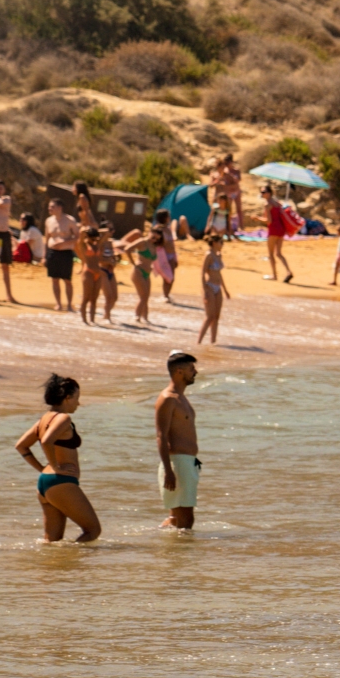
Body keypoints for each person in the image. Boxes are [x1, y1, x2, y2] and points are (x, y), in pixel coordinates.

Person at [16, 373, 101, 543]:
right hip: (61, 482)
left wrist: (43, 469)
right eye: (77, 398)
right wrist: (56, 467)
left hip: (45, 483)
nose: (79, 403)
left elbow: (21, 445)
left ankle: (54, 568)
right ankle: (77, 568)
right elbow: (47, 441)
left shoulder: (44, 419)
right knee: (93, 531)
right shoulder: (63, 418)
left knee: (52, 541)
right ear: (67, 397)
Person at [155, 351, 202, 529]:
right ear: (179, 372)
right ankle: (183, 555)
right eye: (191, 368)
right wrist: (168, 470)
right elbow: (161, 435)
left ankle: (172, 552)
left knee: (177, 518)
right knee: (186, 520)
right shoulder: (168, 399)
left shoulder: (181, 398)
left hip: (187, 462)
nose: (195, 372)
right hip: (178, 462)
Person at [119, 223, 159, 326]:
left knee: (146, 297)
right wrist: (133, 263)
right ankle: (136, 317)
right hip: (138, 272)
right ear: (149, 233)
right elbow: (127, 249)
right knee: (143, 296)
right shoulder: (142, 242)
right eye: (153, 236)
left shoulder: (154, 245)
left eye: (157, 238)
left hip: (147, 273)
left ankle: (145, 318)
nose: (154, 239)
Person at [43, 198, 79, 313]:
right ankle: (58, 303)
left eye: (52, 207)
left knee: (67, 280)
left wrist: (64, 243)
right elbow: (47, 238)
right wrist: (45, 255)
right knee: (54, 279)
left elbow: (77, 237)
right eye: (49, 207)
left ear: (60, 208)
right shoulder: (49, 221)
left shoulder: (69, 220)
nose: (49, 209)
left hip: (66, 253)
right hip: (53, 252)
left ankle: (69, 304)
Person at [196, 230, 230, 344]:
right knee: (209, 316)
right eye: (221, 242)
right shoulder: (208, 255)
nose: (222, 244)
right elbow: (202, 272)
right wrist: (205, 289)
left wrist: (225, 290)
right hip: (209, 286)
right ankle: (199, 342)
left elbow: (219, 273)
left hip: (218, 287)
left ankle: (213, 342)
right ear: (215, 243)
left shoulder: (219, 255)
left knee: (216, 317)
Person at [260, 185, 295, 284]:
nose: (262, 194)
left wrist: (257, 218)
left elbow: (269, 221)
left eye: (263, 192)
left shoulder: (267, 204)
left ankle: (274, 275)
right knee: (279, 253)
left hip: (273, 229)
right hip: (281, 229)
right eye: (261, 192)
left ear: (269, 193)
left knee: (271, 253)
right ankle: (288, 271)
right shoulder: (278, 203)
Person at [208, 156, 240, 237]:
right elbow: (210, 185)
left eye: (223, 167)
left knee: (228, 216)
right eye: (221, 166)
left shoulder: (228, 175)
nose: (222, 168)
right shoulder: (214, 175)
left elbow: (236, 185)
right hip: (216, 198)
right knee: (214, 214)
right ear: (218, 167)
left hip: (226, 198)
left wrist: (226, 186)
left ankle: (229, 232)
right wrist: (217, 182)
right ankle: (211, 230)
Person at [154, 211, 179, 302]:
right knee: (166, 277)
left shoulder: (168, 229)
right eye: (168, 216)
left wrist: (175, 257)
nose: (169, 218)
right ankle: (165, 295)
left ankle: (167, 295)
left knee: (172, 277)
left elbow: (172, 243)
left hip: (171, 255)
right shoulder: (157, 229)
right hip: (163, 256)